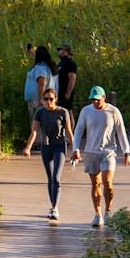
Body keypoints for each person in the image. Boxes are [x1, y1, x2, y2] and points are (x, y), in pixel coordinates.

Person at [73, 86, 130, 228]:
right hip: (91, 152)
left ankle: (108, 212)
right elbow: (79, 129)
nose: (95, 102)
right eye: (93, 100)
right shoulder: (86, 111)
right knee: (96, 184)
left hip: (108, 151)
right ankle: (97, 214)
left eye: (98, 99)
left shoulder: (113, 111)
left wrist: (126, 152)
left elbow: (121, 132)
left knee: (108, 183)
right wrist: (76, 149)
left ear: (104, 97)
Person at [32, 90, 75, 221]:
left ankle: (55, 208)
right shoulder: (40, 112)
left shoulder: (63, 112)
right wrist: (28, 147)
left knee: (56, 177)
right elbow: (34, 131)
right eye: (46, 99)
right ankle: (52, 205)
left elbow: (68, 131)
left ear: (56, 98)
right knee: (50, 178)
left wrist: (75, 149)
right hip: (46, 147)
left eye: (51, 99)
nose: (48, 102)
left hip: (59, 147)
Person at [20, 45, 56, 152]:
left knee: (36, 121)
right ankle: (42, 142)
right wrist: (30, 52)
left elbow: (41, 83)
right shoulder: (46, 67)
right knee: (42, 121)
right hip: (43, 98)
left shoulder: (40, 68)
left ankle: (39, 143)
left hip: (37, 99)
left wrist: (41, 99)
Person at [55, 44, 79, 108]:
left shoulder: (71, 63)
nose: (60, 52)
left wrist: (68, 93)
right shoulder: (60, 63)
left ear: (68, 52)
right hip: (59, 92)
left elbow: (72, 78)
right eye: (59, 50)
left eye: (62, 50)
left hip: (65, 92)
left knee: (68, 111)